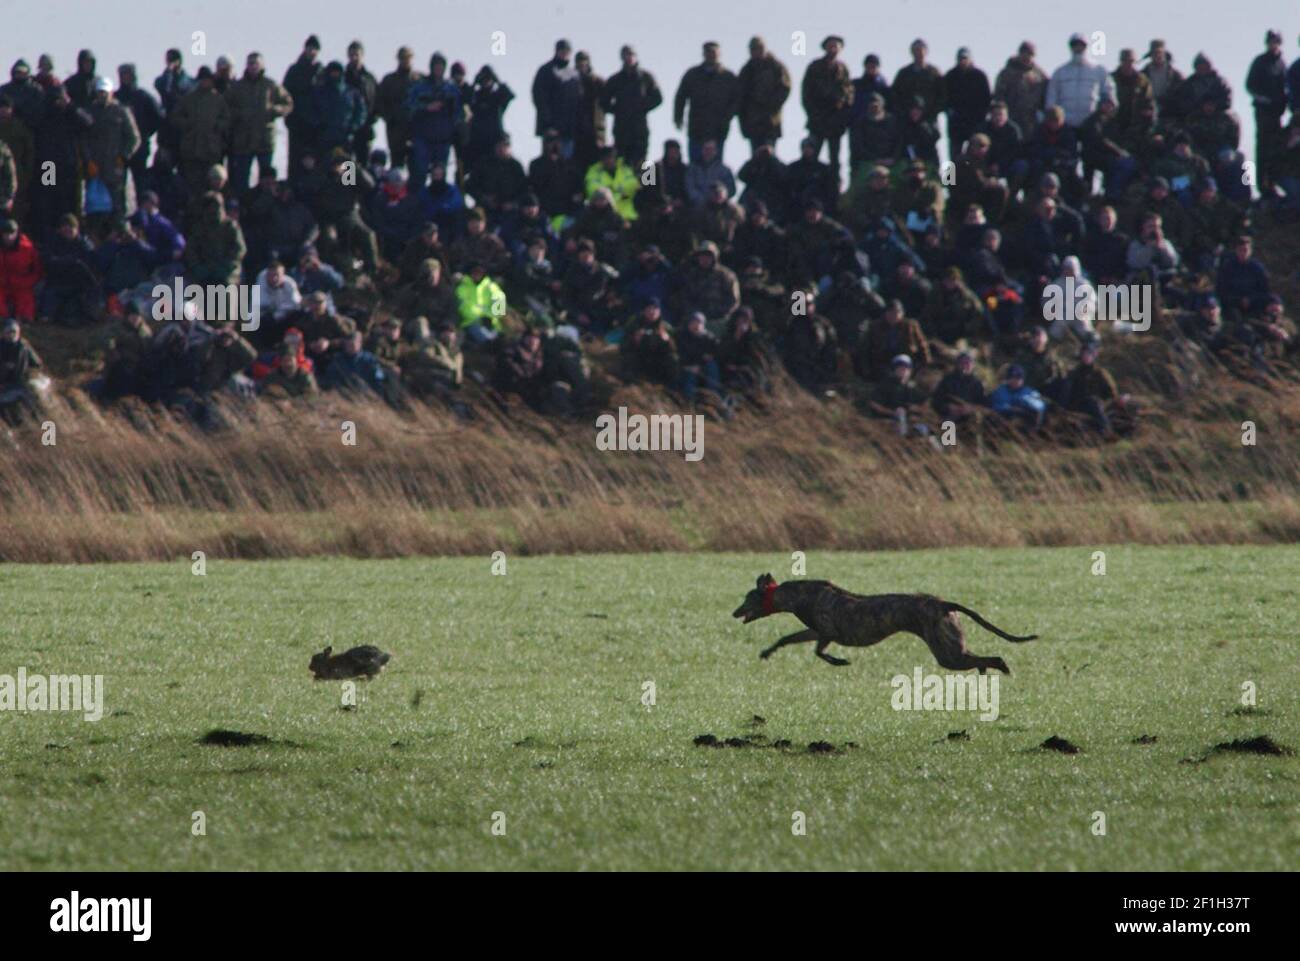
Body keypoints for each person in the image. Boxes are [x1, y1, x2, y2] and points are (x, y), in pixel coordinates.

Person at [226, 53, 294, 196]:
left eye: (256, 63)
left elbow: (288, 103)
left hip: (265, 140)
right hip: (243, 140)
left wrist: (275, 111)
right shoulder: (238, 87)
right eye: (250, 63)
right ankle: (243, 209)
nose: (253, 66)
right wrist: (238, 114)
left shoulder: (270, 85)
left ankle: (267, 209)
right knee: (241, 181)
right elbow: (226, 107)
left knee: (267, 180)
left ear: (262, 65)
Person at [673, 42, 740, 163]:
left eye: (714, 52)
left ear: (719, 54)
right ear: (703, 54)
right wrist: (678, 117)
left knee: (715, 167)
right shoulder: (692, 75)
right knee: (695, 165)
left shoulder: (728, 77)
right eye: (708, 52)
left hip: (718, 130)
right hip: (696, 129)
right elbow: (680, 97)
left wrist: (726, 118)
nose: (711, 55)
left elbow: (737, 101)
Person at [406, 54, 463, 188]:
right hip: (422, 137)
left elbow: (458, 113)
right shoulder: (419, 87)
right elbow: (408, 107)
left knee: (440, 174)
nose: (438, 69)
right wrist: (426, 107)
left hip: (442, 139)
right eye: (436, 66)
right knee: (419, 173)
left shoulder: (451, 88)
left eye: (441, 66)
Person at [600, 45, 662, 167]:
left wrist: (642, 107)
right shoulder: (615, 79)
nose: (628, 58)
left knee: (643, 162)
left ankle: (646, 186)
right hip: (621, 129)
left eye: (631, 55)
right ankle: (625, 186)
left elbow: (658, 98)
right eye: (625, 55)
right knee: (622, 163)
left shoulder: (645, 77)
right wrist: (618, 110)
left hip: (640, 128)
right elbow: (603, 102)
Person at [802, 36, 854, 175]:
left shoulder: (843, 69)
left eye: (836, 46)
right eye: (830, 46)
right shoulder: (814, 67)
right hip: (817, 120)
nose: (833, 49)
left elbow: (849, 93)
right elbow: (806, 94)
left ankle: (834, 188)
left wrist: (843, 114)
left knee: (834, 159)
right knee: (812, 155)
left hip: (836, 122)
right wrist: (813, 113)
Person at [1246, 31, 1288, 189]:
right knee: (1263, 147)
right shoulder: (1259, 62)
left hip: (1277, 113)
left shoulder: (1282, 63)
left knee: (1276, 147)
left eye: (1275, 41)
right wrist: (1262, 98)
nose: (1273, 44)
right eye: (1270, 42)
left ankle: (1273, 182)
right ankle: (1262, 185)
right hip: (1263, 112)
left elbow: (1286, 88)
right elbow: (1250, 85)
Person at [1046, 33, 1114, 128]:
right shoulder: (1060, 72)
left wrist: (1105, 110)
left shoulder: (1099, 70)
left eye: (1081, 45)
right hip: (1066, 124)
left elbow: (1109, 94)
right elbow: (1051, 98)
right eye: (1075, 45)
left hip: (1091, 123)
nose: (1078, 48)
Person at [736, 37, 791, 156]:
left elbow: (785, 88)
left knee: (769, 155)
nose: (757, 51)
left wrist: (770, 105)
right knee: (755, 157)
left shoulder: (776, 67)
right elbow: (740, 97)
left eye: (759, 48)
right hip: (752, 122)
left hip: (771, 122)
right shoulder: (746, 70)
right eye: (754, 49)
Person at [532, 40, 582, 158]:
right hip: (552, 129)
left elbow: (578, 101)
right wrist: (548, 124)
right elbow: (539, 98)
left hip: (569, 130)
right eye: (562, 51)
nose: (564, 54)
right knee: (550, 163)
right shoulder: (545, 71)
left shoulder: (574, 74)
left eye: (567, 51)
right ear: (557, 51)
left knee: (566, 165)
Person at [282, 36, 322, 177]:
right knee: (295, 164)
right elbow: (285, 96)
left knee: (317, 165)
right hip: (297, 126)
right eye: (309, 48)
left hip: (317, 127)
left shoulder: (322, 72)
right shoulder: (294, 71)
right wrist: (290, 119)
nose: (312, 52)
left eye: (315, 49)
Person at [944, 47, 991, 163]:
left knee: (975, 156)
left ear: (970, 59)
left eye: (965, 58)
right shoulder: (950, 76)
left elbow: (987, 99)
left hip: (975, 123)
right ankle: (949, 181)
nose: (962, 61)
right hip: (956, 124)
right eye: (960, 58)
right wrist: (949, 112)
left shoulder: (980, 76)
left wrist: (982, 118)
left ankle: (973, 179)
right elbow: (943, 98)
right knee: (953, 157)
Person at [868, 353, 931, 436]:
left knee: (925, 430)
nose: (904, 370)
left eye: (906, 368)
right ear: (895, 369)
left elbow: (925, 401)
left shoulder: (911, 387)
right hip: (888, 420)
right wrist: (892, 412)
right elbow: (873, 403)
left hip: (909, 420)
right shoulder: (886, 385)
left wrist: (917, 409)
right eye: (900, 368)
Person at [994, 41, 1047, 137]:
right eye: (1025, 53)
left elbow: (1046, 96)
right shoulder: (1006, 73)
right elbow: (998, 97)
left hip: (1032, 121)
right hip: (1011, 118)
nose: (1027, 57)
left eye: (1031, 54)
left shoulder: (1040, 75)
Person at [0, 218, 42, 320]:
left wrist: (26, 282)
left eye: (12, 233)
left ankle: (23, 320)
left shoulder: (27, 248)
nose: (9, 237)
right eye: (6, 234)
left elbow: (37, 271)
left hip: (21, 283)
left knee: (25, 302)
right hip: (2, 283)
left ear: (17, 233)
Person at [931, 350, 987, 424]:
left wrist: (970, 408)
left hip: (969, 418)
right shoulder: (947, 380)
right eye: (963, 362)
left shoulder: (977, 384)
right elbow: (936, 401)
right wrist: (948, 407)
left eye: (968, 362)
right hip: (949, 416)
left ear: (973, 365)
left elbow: (983, 404)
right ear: (957, 364)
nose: (965, 365)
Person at [989, 364, 1046, 430]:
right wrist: (1011, 408)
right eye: (1012, 377)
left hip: (1025, 421)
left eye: (1018, 377)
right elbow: (996, 406)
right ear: (1008, 378)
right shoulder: (1000, 390)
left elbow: (1040, 406)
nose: (1015, 380)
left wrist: (1023, 402)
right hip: (1004, 420)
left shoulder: (1029, 392)